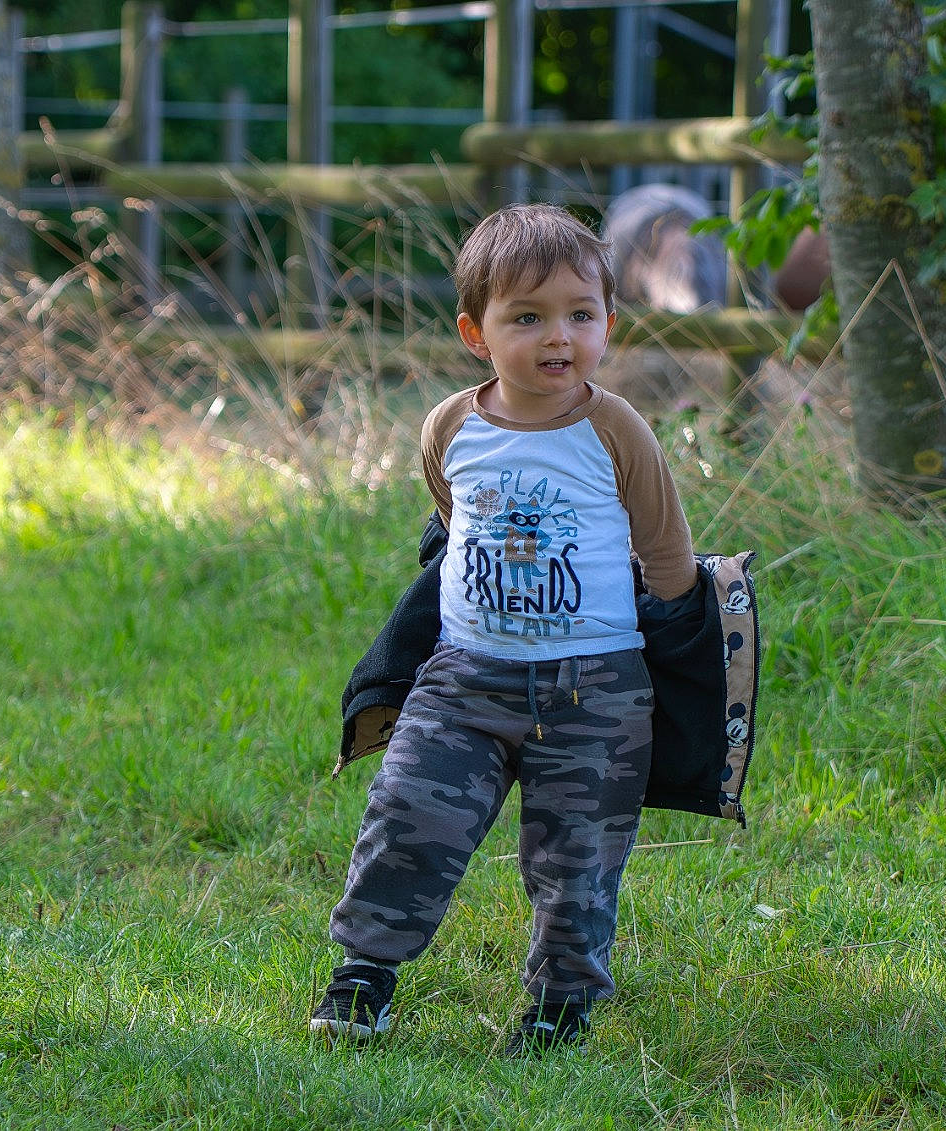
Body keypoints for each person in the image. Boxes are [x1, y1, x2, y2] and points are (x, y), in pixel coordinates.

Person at [311, 203, 698, 1055]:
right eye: (527, 316)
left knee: (578, 858)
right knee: (409, 815)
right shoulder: (452, 426)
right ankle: (362, 973)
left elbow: (667, 554)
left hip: (593, 688)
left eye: (580, 315)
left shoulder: (614, 429)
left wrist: (677, 653)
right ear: (475, 332)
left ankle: (562, 1004)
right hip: (465, 679)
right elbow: (453, 523)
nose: (557, 336)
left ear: (607, 322)